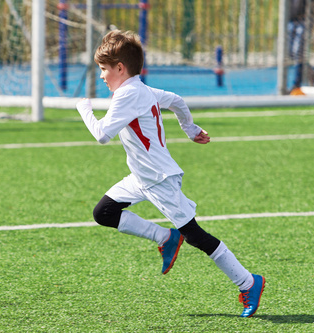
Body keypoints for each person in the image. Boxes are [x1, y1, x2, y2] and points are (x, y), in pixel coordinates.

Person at [76, 30, 265, 318]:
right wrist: (190, 129)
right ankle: (165, 238)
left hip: (159, 180)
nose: (102, 76)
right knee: (104, 212)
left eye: (103, 69)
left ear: (119, 68)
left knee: (195, 235)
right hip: (142, 177)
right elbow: (176, 100)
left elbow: (102, 135)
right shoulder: (143, 90)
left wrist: (84, 110)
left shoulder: (127, 94)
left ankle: (249, 282)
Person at [288, 0, 314, 91]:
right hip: (290, 20)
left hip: (305, 19)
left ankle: (296, 85)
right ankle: (310, 71)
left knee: (298, 51)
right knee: (290, 53)